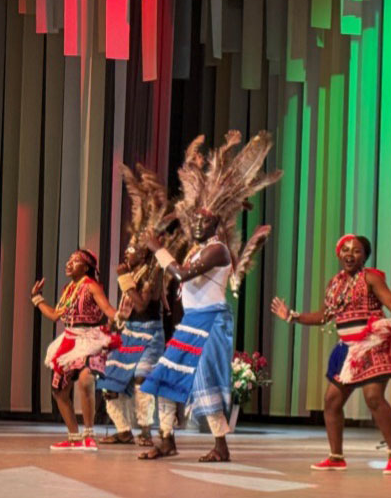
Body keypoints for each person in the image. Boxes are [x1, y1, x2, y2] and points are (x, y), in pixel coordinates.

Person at [139, 131, 280, 463]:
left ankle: (220, 446)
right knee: (164, 376)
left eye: (204, 221)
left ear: (218, 224)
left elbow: (181, 275)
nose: (197, 225)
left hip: (213, 320)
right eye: (195, 221)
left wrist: (158, 250)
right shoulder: (198, 248)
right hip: (191, 322)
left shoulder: (218, 250)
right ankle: (166, 439)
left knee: (207, 381)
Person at [271, 234, 391, 475]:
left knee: (373, 398)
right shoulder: (334, 284)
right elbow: (323, 317)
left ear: (364, 256)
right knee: (331, 401)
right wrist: (292, 316)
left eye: (356, 251)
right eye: (345, 250)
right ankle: (336, 456)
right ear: (339, 254)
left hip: (371, 344)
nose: (349, 254)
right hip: (346, 349)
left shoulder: (371, 278)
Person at [99, 164, 173, 447]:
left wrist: (122, 277)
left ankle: (144, 431)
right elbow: (127, 307)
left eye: (135, 248)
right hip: (129, 331)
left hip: (149, 333)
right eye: (128, 247)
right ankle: (123, 430)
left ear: (145, 252)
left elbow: (141, 304)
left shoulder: (153, 274)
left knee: (142, 381)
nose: (129, 251)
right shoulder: (133, 272)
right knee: (110, 386)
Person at [32, 249, 118, 451]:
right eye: (69, 260)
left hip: (90, 339)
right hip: (70, 340)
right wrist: (36, 298)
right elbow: (54, 315)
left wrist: (120, 318)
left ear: (86, 267)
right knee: (59, 390)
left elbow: (107, 310)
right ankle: (74, 437)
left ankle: (89, 434)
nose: (69, 264)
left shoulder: (91, 286)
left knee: (86, 380)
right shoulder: (69, 288)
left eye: (75, 261)